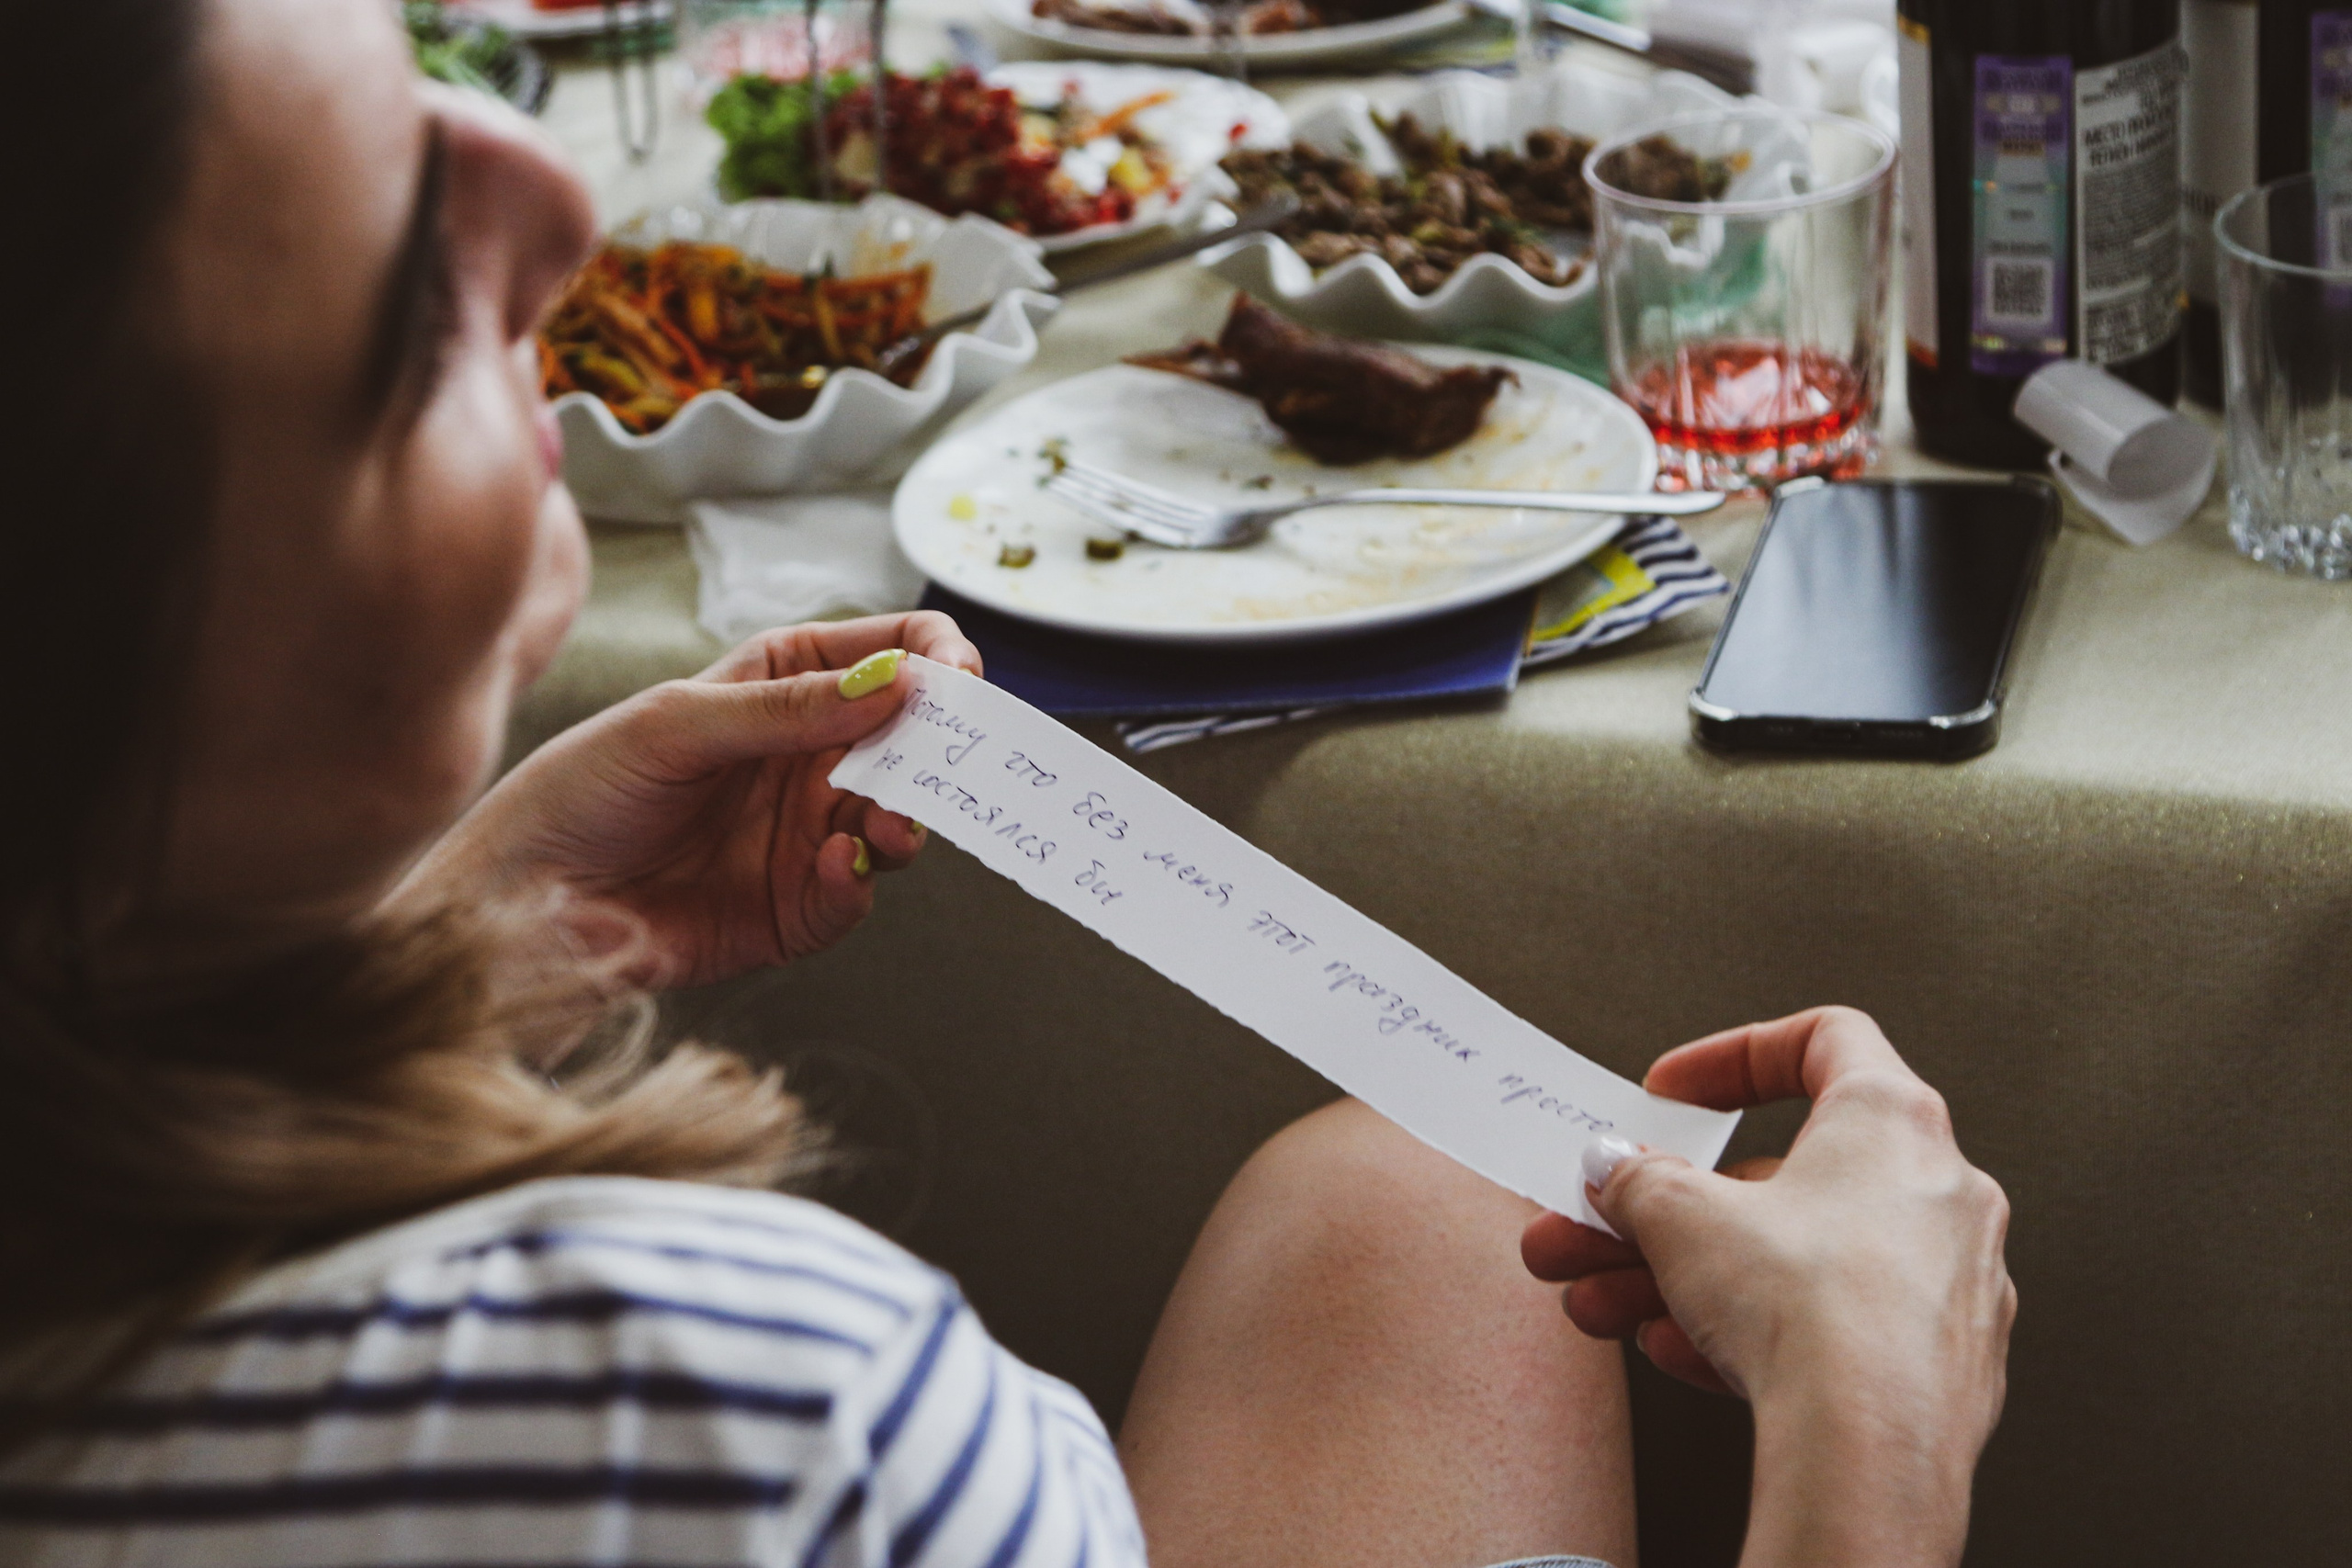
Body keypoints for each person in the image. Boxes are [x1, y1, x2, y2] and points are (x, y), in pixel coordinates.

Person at [0, 0, 2016, 1564]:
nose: (558, 212)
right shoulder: (755, 1414)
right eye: (395, 306)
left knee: (1409, 1188)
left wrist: (451, 937)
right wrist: (1870, 1440)